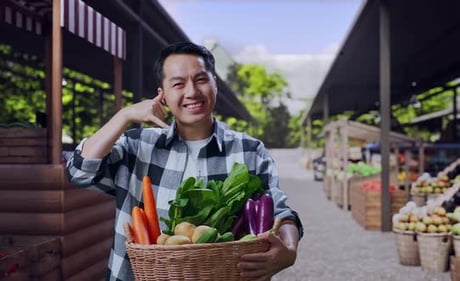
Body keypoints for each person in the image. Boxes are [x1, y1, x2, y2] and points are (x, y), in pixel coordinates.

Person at [66, 41, 303, 281]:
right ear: (163, 95)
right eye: (178, 83)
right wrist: (125, 115)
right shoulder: (137, 146)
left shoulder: (250, 151)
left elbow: (281, 213)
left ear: (215, 85)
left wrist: (290, 251)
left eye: (201, 80)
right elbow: (79, 172)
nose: (192, 92)